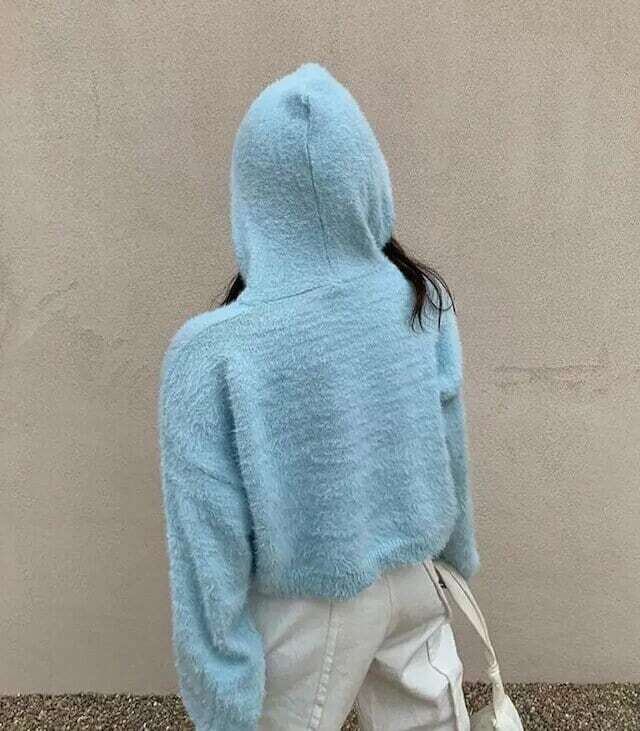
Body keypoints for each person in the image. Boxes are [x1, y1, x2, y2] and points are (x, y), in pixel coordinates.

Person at [157, 62, 480, 731]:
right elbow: (450, 443)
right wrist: (458, 553)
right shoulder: (421, 299)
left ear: (252, 196)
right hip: (417, 573)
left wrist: (222, 687)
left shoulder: (213, 351)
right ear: (368, 176)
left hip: (311, 601)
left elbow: (206, 539)